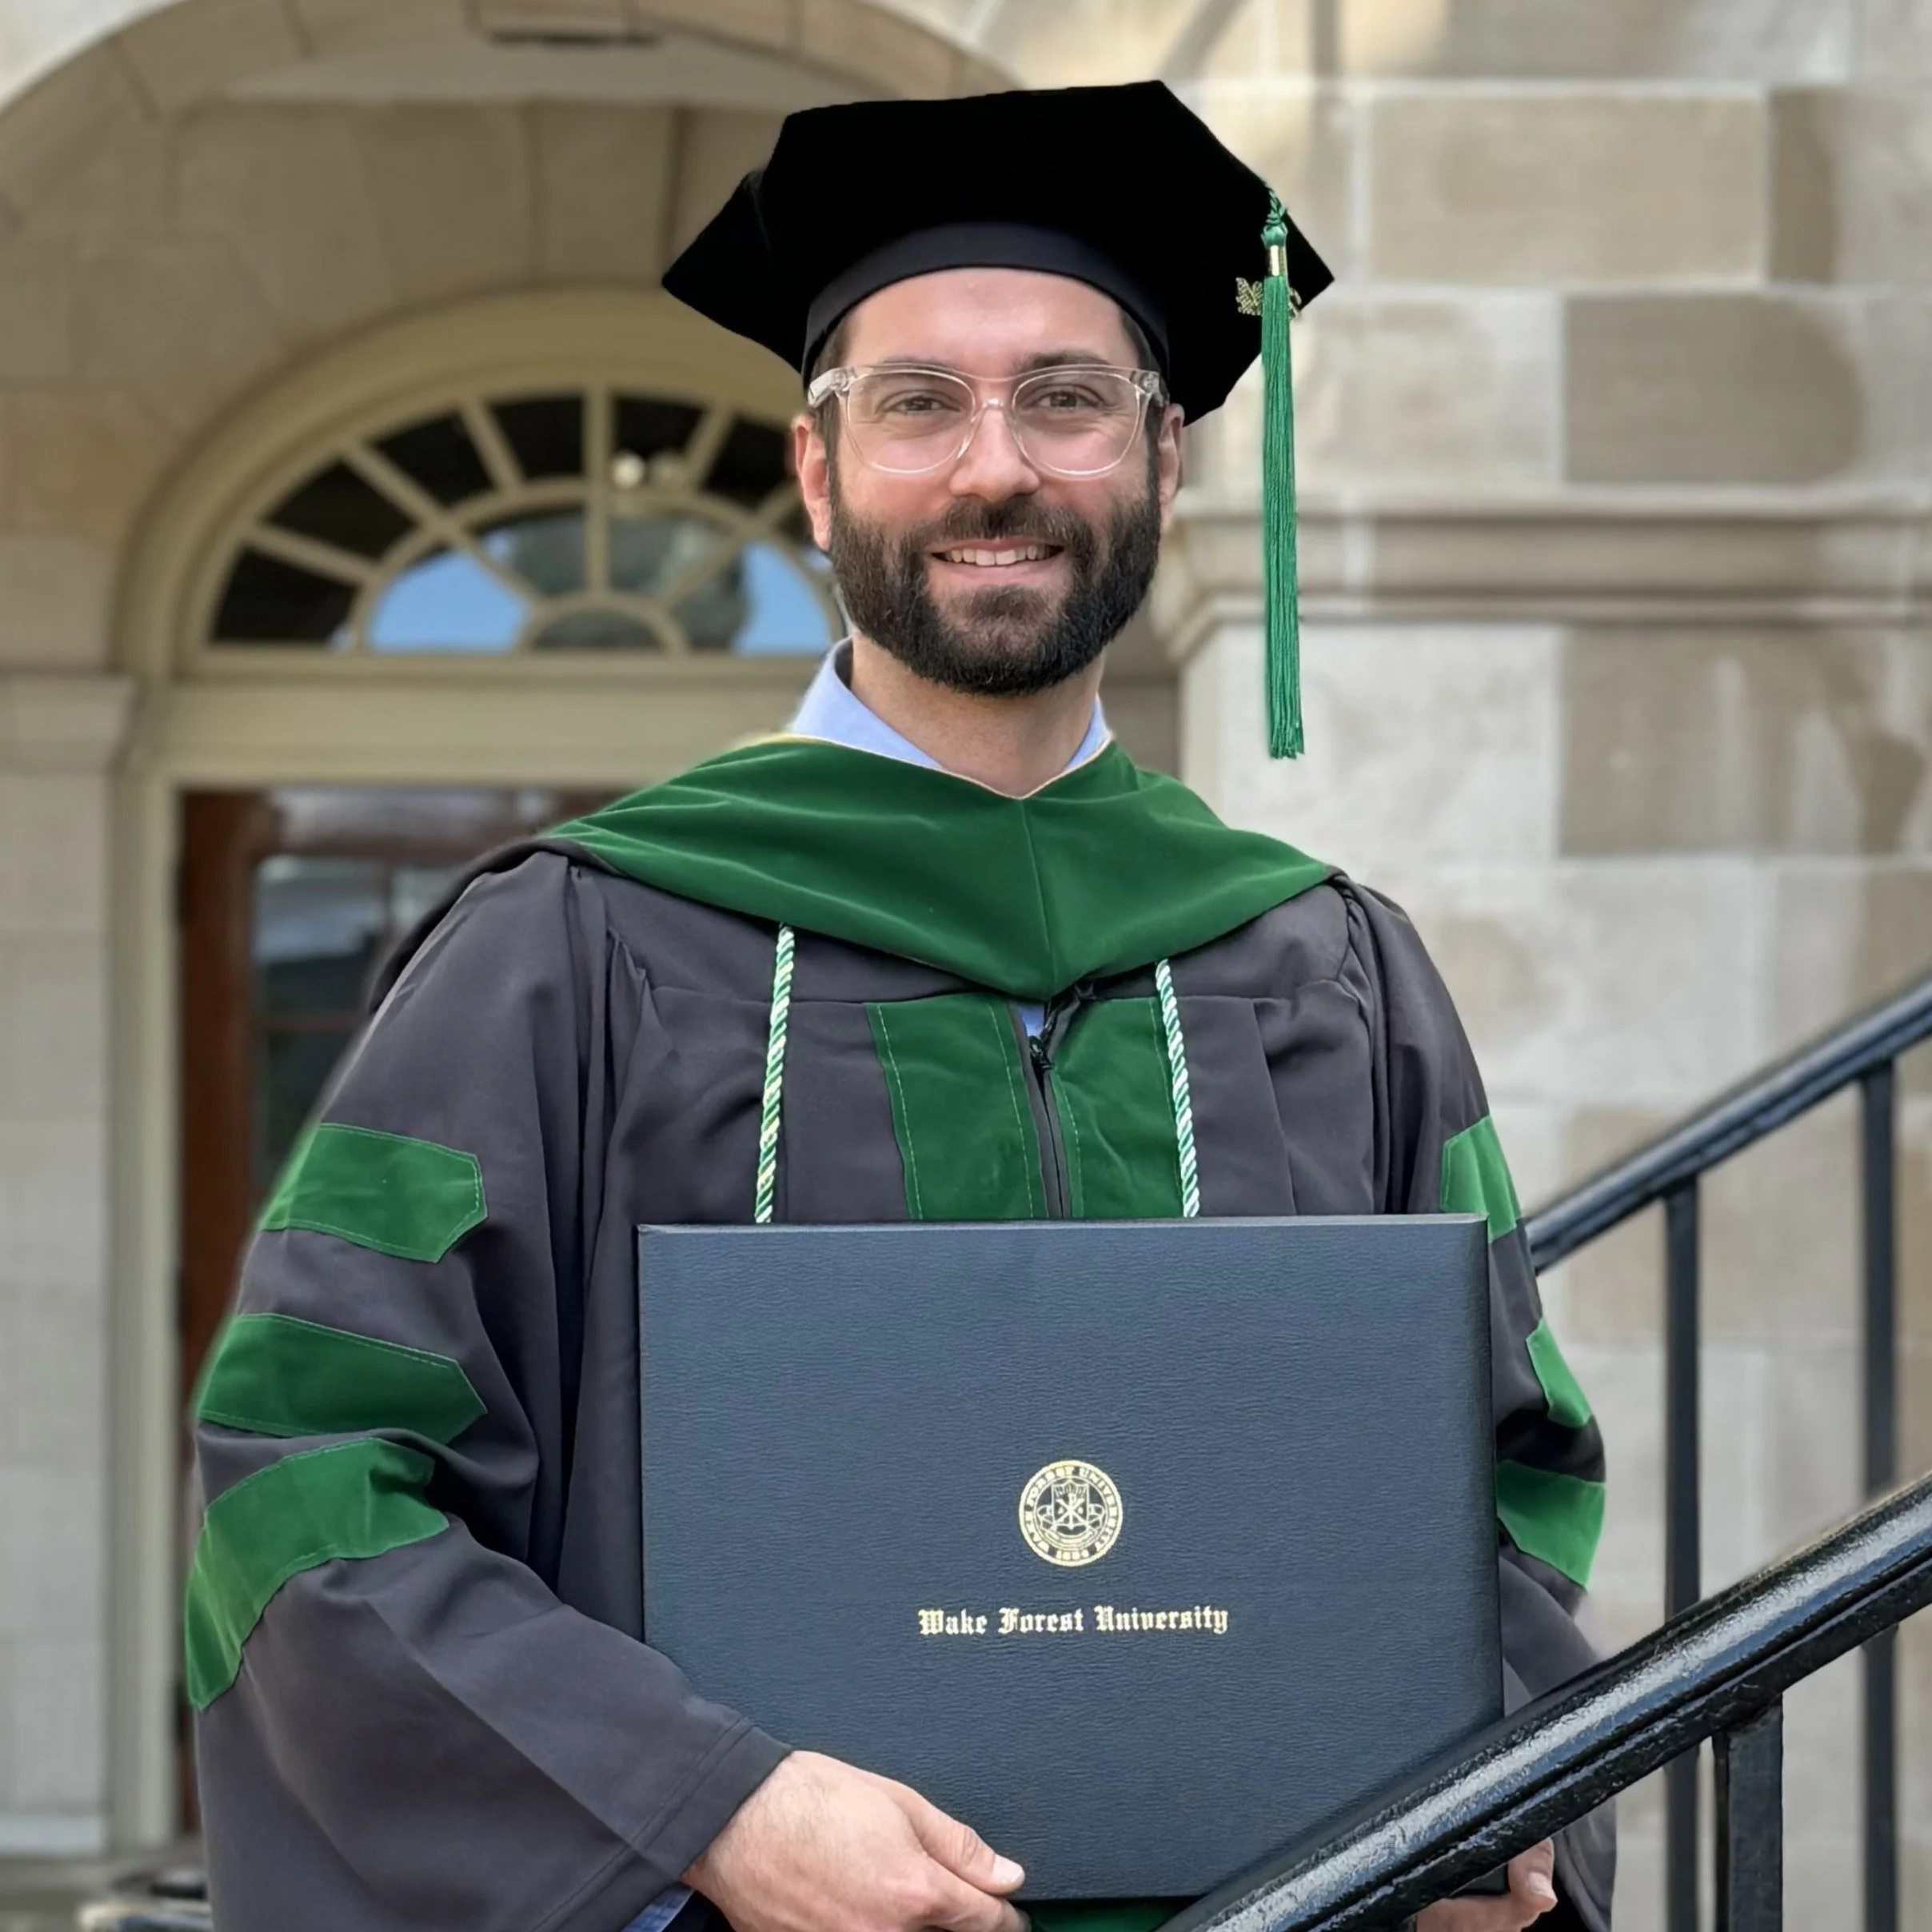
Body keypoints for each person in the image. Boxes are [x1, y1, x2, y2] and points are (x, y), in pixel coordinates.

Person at [188, 81, 1611, 1932]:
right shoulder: (566, 951)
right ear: (814, 468)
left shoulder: (1324, 966)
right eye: (918, 402)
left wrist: (1501, 1780)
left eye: (1068, 397)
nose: (993, 465)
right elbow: (310, 1483)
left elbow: (1495, 1475)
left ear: (1168, 461)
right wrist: (704, 1805)